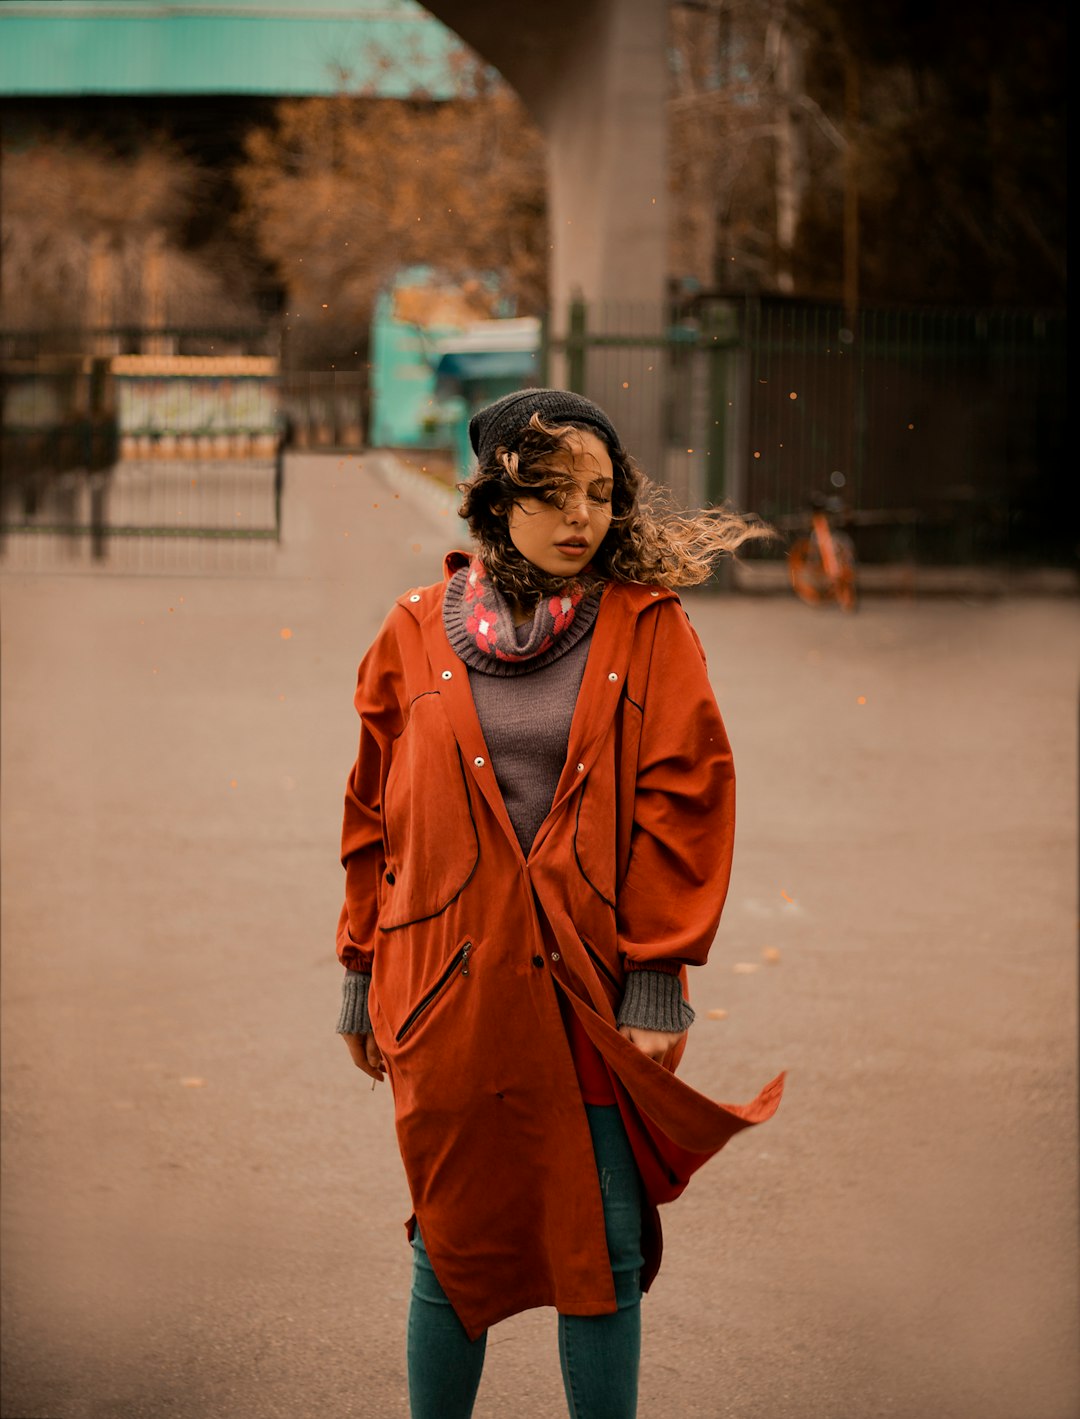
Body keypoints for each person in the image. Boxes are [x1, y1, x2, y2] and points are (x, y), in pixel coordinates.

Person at [336, 388, 784, 1419]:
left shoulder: (647, 625)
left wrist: (658, 975)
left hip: (585, 987)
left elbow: (685, 799)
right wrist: (360, 971)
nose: (582, 516)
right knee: (451, 1245)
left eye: (598, 493)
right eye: (551, 493)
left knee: (602, 1247)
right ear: (496, 502)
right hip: (446, 985)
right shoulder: (411, 632)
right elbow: (374, 813)